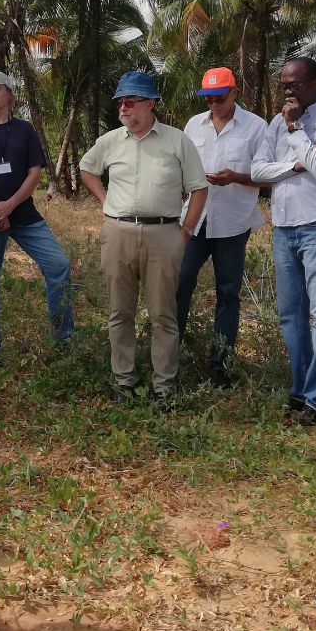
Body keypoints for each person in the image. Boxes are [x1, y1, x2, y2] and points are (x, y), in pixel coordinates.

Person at [79, 72, 207, 407]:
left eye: (131, 102)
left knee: (163, 314)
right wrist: (105, 201)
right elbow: (87, 169)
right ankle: (125, 382)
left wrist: (185, 232)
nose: (124, 108)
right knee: (119, 312)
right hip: (117, 233)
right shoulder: (110, 141)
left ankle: (164, 387)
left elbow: (199, 188)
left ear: (151, 104)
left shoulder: (178, 141)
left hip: (164, 235)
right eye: (121, 102)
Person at [250, 57, 316, 426]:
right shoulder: (275, 122)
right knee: (291, 313)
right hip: (283, 226)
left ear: (315, 83)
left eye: (294, 85)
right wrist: (296, 165)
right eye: (284, 86)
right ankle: (301, 390)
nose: (288, 92)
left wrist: (296, 131)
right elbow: (257, 170)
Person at [0, 71, 73, 368]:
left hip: (22, 212)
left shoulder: (24, 130)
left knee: (59, 265)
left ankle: (63, 340)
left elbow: (34, 173)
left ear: (9, 94)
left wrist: (9, 206)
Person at [174, 67, 269, 388]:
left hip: (233, 223)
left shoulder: (255, 127)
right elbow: (181, 168)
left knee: (228, 294)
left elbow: (268, 176)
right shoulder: (193, 125)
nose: (214, 104)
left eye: (220, 98)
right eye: (209, 99)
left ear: (234, 93)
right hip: (194, 221)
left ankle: (221, 367)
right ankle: (169, 358)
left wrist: (236, 178)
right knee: (179, 285)